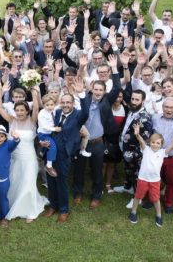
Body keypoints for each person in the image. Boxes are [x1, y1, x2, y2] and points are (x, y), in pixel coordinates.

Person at [0, 81, 48, 223]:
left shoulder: (32, 121)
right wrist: (0, 92)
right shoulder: (12, 121)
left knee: (28, 182)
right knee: (16, 182)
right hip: (15, 158)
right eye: (17, 110)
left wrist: (33, 90)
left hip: (29, 158)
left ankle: (31, 210)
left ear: (27, 111)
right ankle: (15, 204)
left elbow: (36, 107)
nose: (19, 113)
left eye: (22, 110)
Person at [74, 60, 122, 210]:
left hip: (98, 142)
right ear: (92, 89)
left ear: (104, 92)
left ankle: (96, 196)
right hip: (83, 142)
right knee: (79, 170)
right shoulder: (85, 99)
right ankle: (78, 193)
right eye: (96, 89)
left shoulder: (107, 101)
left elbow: (118, 87)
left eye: (101, 90)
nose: (98, 92)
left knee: (97, 171)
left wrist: (114, 68)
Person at [42, 90, 89, 223]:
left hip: (64, 154)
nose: (65, 105)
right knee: (51, 181)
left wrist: (82, 95)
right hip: (50, 152)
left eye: (68, 102)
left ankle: (64, 209)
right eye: (63, 102)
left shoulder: (78, 115)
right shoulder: (55, 113)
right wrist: (43, 141)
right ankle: (53, 205)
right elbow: (46, 127)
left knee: (61, 181)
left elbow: (86, 112)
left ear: (73, 104)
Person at [129, 127, 173, 227]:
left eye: (158, 143)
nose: (155, 144)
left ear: (161, 145)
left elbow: (172, 147)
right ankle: (133, 212)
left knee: (156, 199)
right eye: (153, 142)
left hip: (155, 181)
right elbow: (141, 140)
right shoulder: (146, 149)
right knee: (138, 196)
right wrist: (137, 134)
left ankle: (158, 215)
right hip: (143, 179)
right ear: (150, 142)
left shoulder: (162, 153)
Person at [115, 90, 152, 201]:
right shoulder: (132, 111)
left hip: (136, 153)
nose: (134, 102)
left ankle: (137, 198)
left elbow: (144, 141)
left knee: (137, 175)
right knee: (128, 171)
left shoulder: (145, 118)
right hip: (126, 149)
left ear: (143, 101)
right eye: (133, 99)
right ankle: (127, 187)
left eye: (137, 100)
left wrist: (136, 155)